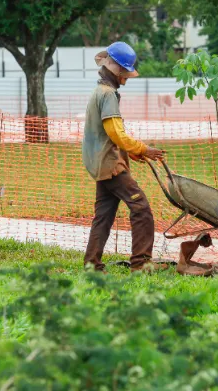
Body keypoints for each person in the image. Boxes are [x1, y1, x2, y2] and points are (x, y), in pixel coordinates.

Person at [82, 42, 167, 273]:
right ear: (117, 70)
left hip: (100, 164)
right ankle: (140, 264)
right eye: (125, 74)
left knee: (103, 217)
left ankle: (92, 265)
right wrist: (142, 149)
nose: (126, 79)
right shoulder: (108, 95)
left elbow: (106, 135)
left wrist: (131, 151)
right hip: (111, 165)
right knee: (141, 209)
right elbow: (115, 133)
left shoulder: (99, 91)